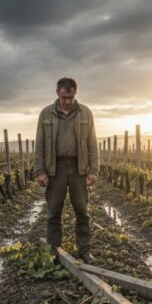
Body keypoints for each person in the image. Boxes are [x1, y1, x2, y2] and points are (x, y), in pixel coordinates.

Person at [34, 77, 99, 263]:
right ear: (57, 93)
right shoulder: (46, 114)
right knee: (54, 212)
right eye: (64, 97)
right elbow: (39, 144)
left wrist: (93, 170)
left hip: (79, 168)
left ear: (75, 94)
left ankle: (85, 251)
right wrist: (40, 171)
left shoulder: (85, 113)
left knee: (82, 211)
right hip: (56, 168)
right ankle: (54, 251)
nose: (68, 101)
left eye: (70, 97)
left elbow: (92, 143)